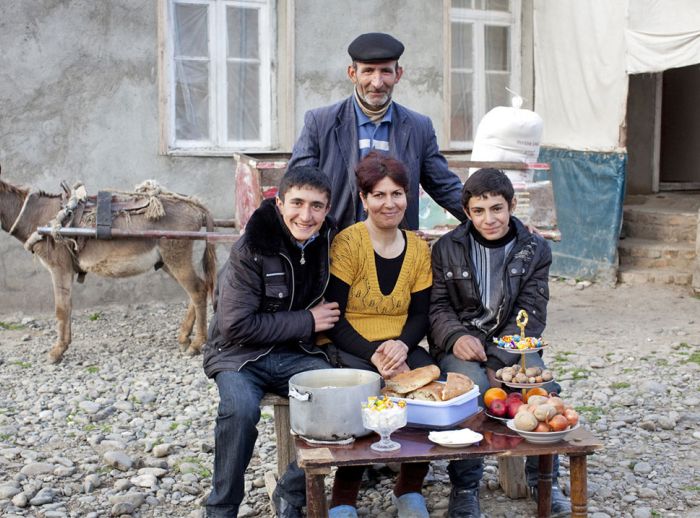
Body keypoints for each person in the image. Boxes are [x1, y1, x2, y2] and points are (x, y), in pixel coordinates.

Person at [428, 169, 571, 518]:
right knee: (470, 391)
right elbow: (437, 306)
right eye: (479, 211)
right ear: (466, 211)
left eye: (496, 208)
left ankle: (543, 479)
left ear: (512, 205)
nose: (488, 219)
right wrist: (455, 336)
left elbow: (531, 313)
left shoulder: (534, 249)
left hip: (516, 345)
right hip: (461, 345)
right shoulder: (447, 247)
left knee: (540, 389)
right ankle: (465, 486)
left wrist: (498, 362)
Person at [202, 166, 341, 517]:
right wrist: (307, 321)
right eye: (296, 203)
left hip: (297, 352)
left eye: (316, 206)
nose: (305, 215)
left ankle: (291, 491)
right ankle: (221, 507)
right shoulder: (251, 247)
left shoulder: (330, 241)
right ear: (278, 202)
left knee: (337, 399)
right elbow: (235, 326)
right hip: (239, 356)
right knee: (240, 411)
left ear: (327, 209)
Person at [322, 151, 434, 518]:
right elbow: (334, 318)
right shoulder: (348, 243)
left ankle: (410, 488)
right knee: (366, 394)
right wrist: (375, 355)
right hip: (352, 342)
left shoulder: (418, 249)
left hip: (400, 342)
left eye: (397, 194)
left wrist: (402, 346)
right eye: (380, 195)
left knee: (428, 394)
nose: (390, 203)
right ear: (364, 199)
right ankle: (344, 498)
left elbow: (420, 314)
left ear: (408, 197)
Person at [288, 31, 466, 231]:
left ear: (398, 74)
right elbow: (295, 184)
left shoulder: (419, 127)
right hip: (335, 247)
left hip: (396, 249)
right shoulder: (320, 122)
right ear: (352, 74)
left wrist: (483, 218)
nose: (377, 82)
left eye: (386, 71)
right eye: (368, 71)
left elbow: (444, 186)